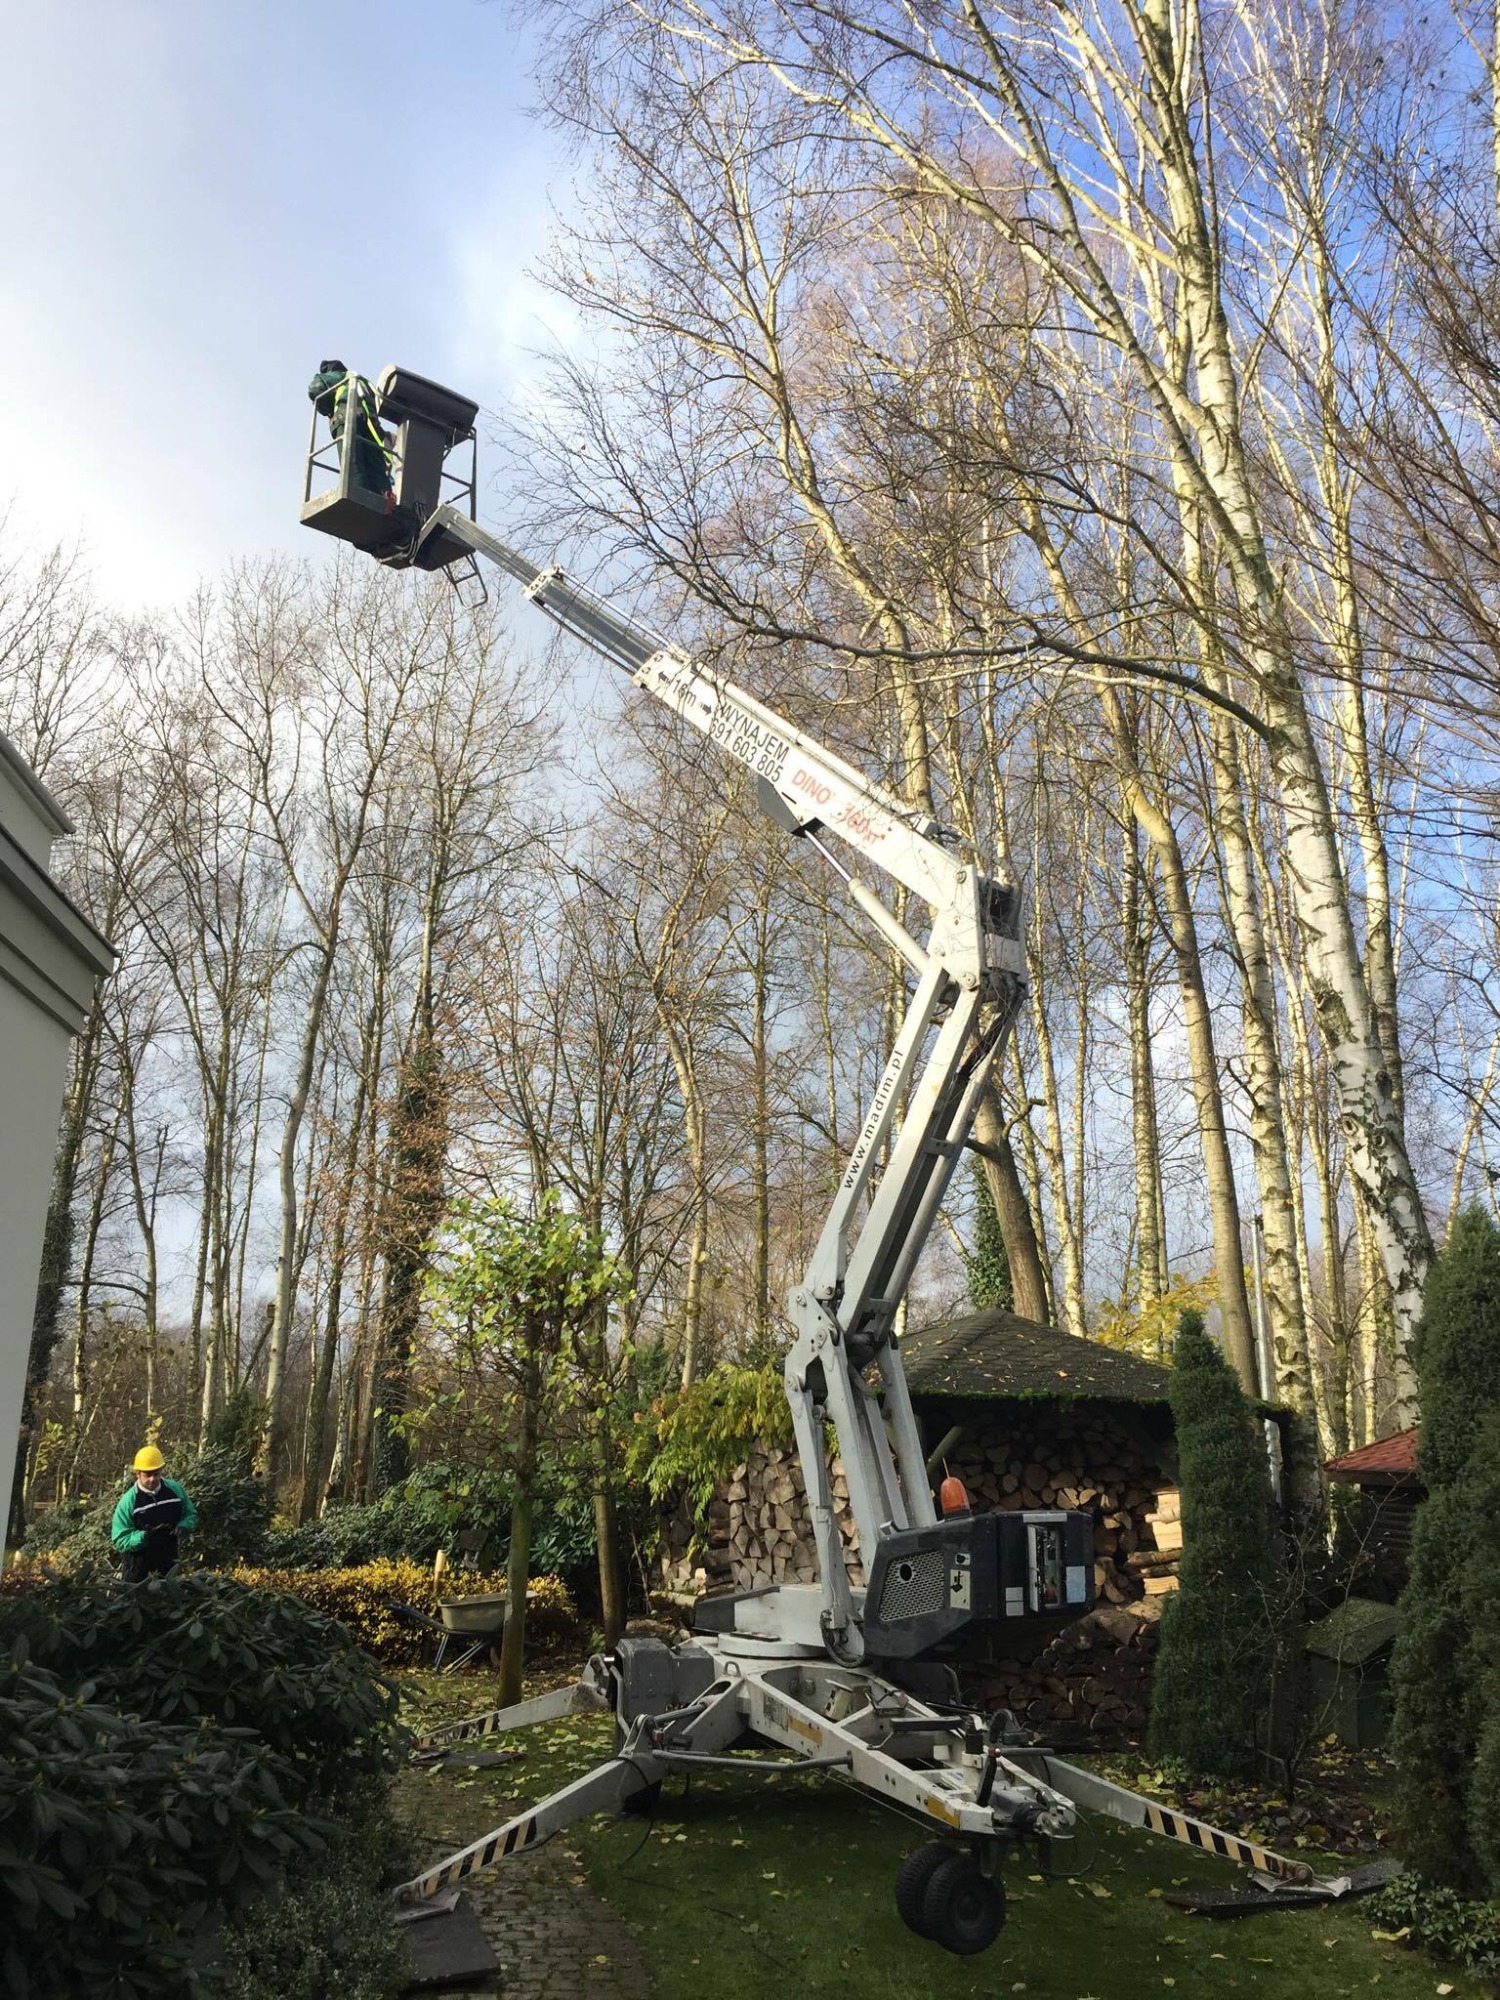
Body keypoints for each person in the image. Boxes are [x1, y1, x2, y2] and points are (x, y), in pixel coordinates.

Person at [307, 358, 394, 499]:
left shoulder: (336, 376)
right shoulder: (363, 381)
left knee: (353, 465)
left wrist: (328, 410)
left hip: (347, 419)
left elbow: (315, 388)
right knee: (376, 468)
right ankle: (385, 498)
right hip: (371, 426)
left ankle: (357, 497)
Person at [112, 1445, 197, 1583]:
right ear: (137, 1473)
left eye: (156, 1474)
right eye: (147, 1475)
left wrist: (184, 1526)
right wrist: (143, 1537)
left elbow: (190, 1513)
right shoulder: (128, 1502)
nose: (152, 1479)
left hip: (169, 1567)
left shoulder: (175, 1490)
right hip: (137, 1573)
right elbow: (119, 1539)